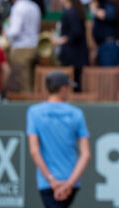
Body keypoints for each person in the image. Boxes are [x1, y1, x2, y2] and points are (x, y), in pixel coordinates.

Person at [27, 72, 91, 208]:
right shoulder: (76, 113)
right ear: (63, 88)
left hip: (46, 182)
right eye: (67, 87)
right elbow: (86, 154)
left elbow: (34, 151)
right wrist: (69, 183)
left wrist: (51, 180)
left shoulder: (34, 112)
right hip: (71, 182)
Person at [6, 0, 41, 92]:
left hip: (21, 50)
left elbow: (15, 31)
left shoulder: (18, 7)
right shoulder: (35, 6)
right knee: (32, 84)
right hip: (34, 48)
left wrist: (6, 33)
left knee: (23, 86)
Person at [53, 0, 88, 90]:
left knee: (73, 85)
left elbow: (76, 33)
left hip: (73, 56)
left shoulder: (72, 13)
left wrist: (60, 40)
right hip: (75, 55)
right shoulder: (74, 11)